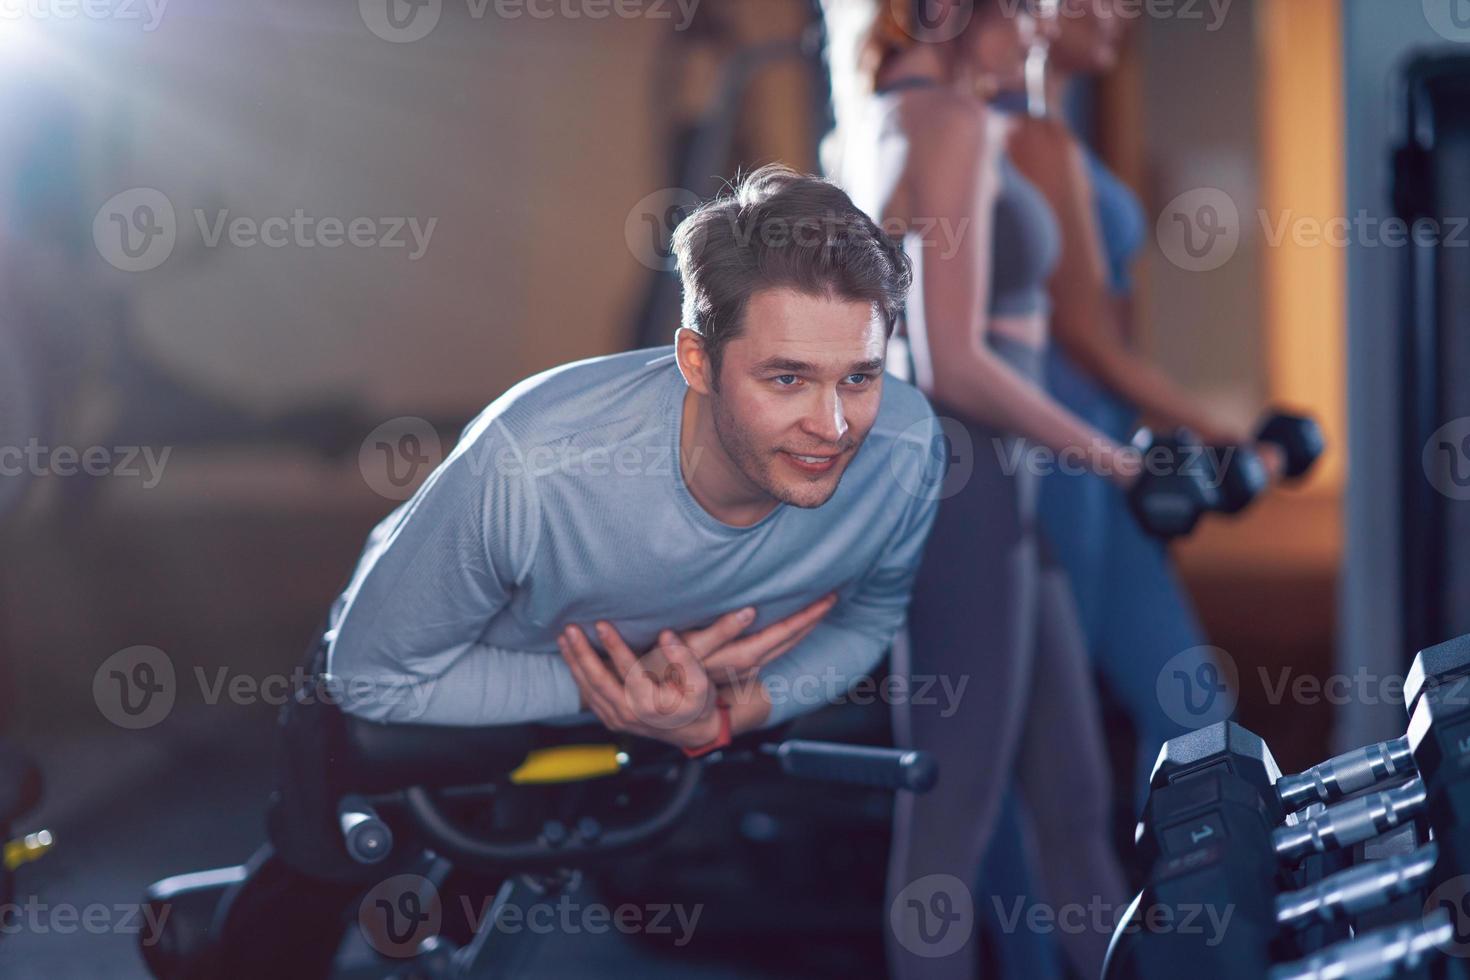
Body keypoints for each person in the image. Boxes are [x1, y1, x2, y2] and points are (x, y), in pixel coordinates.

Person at [219, 164, 945, 976]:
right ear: (696, 361)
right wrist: (630, 694)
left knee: (481, 918)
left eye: (860, 376)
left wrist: (725, 715)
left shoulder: (908, 451)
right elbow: (371, 679)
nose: (835, 425)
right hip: (409, 675)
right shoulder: (532, 462)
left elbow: (868, 618)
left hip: (628, 712)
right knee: (304, 912)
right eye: (787, 379)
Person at [821, 1, 1131, 977]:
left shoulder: (897, 116)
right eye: (1031, 11)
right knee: (949, 828)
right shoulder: (942, 124)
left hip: (1001, 491)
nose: (1044, 29)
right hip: (971, 491)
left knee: (1076, 803)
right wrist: (1113, 455)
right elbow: (949, 361)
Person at [1005, 0, 1278, 822]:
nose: (1122, 11)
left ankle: (1194, 933)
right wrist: (1216, 425)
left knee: (1191, 713)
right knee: (1046, 746)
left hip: (1103, 451)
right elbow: (1085, 337)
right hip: (1060, 453)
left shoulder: (1048, 127)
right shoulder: (1022, 135)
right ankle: (1039, 951)